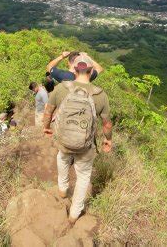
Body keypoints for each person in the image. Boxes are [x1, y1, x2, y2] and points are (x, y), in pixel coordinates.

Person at [43, 54, 112, 224]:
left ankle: (62, 189)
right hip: (86, 146)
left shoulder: (61, 88)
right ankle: (74, 214)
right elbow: (107, 124)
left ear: (74, 69)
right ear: (91, 71)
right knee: (83, 176)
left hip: (64, 140)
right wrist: (107, 140)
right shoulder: (100, 95)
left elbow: (48, 111)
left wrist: (46, 127)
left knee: (62, 157)